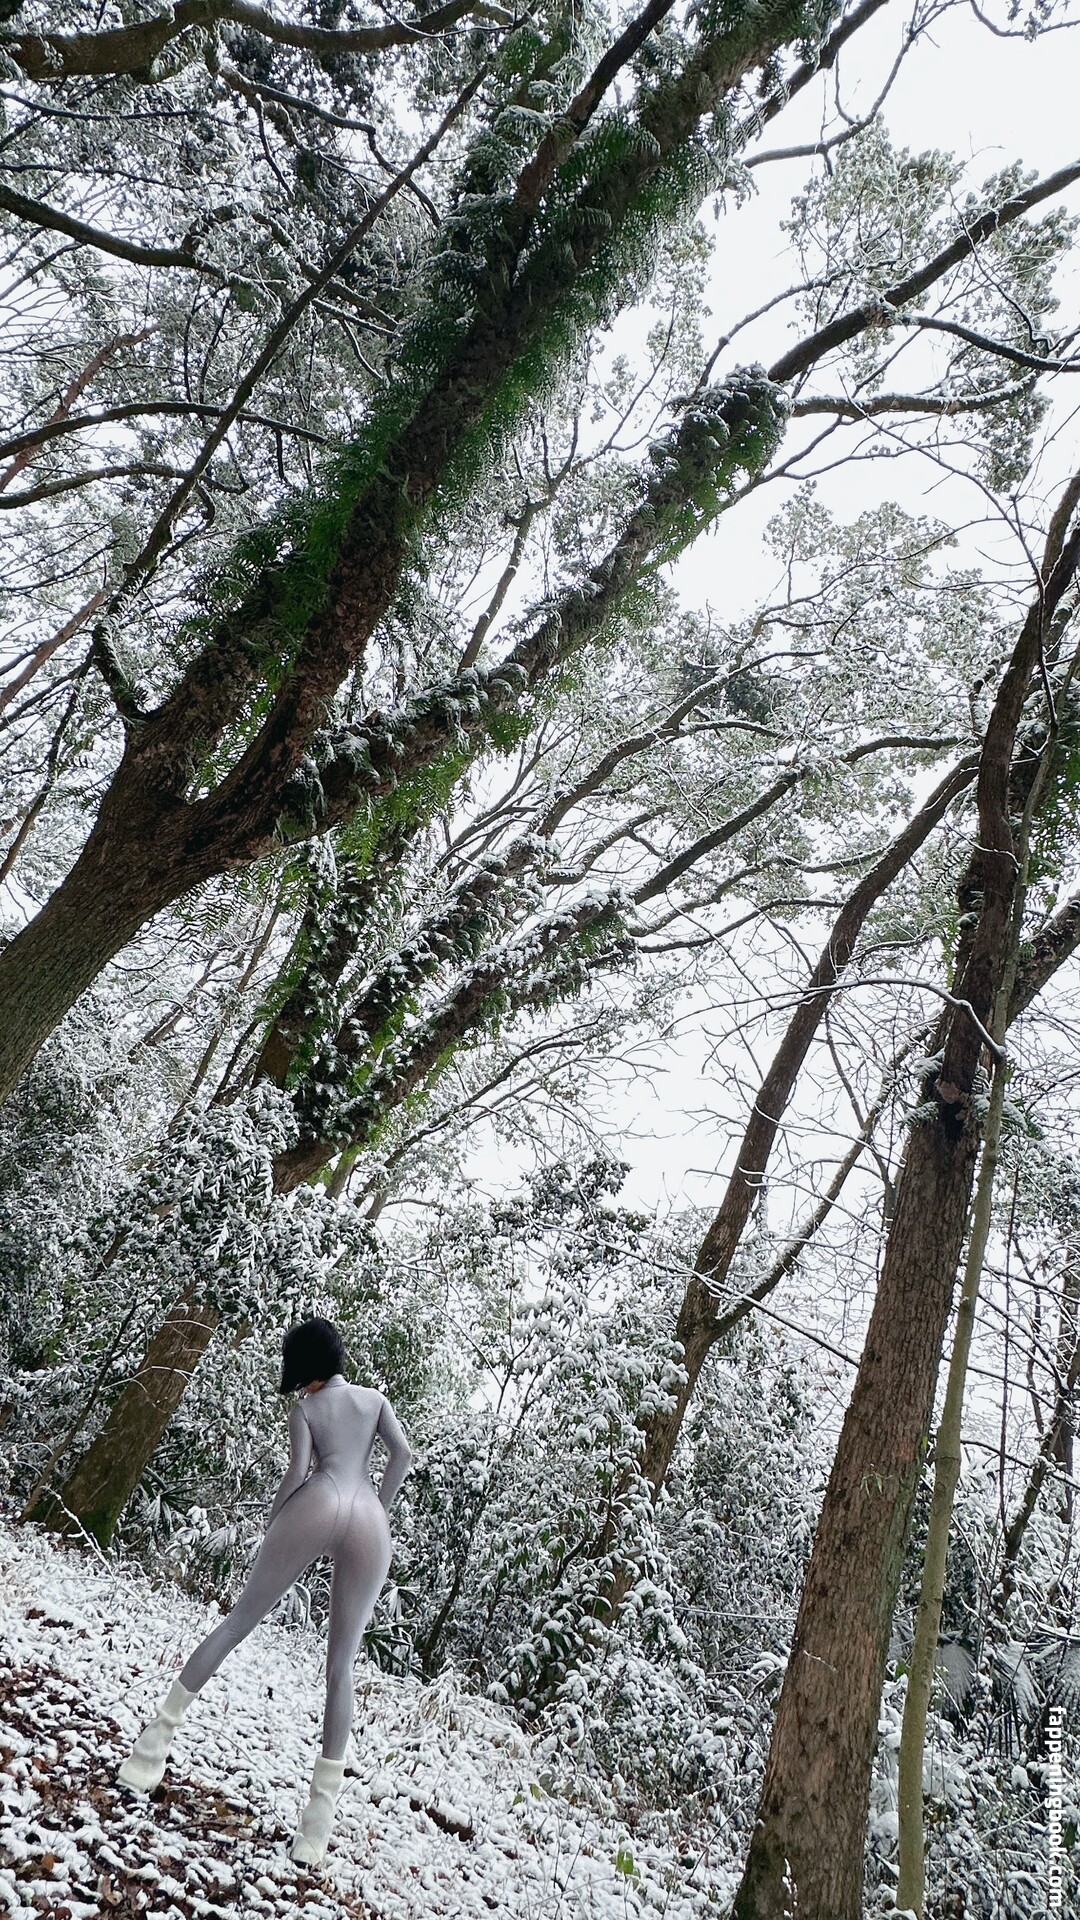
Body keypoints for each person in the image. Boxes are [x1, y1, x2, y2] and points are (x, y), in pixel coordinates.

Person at [116, 1317, 413, 1866]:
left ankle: (149, 1751)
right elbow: (402, 1456)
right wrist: (379, 1509)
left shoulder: (305, 1409)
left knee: (236, 1623)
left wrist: (277, 1525)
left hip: (317, 1501)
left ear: (302, 1365)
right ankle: (315, 1829)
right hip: (370, 1520)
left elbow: (298, 1473)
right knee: (341, 1668)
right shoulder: (375, 1401)